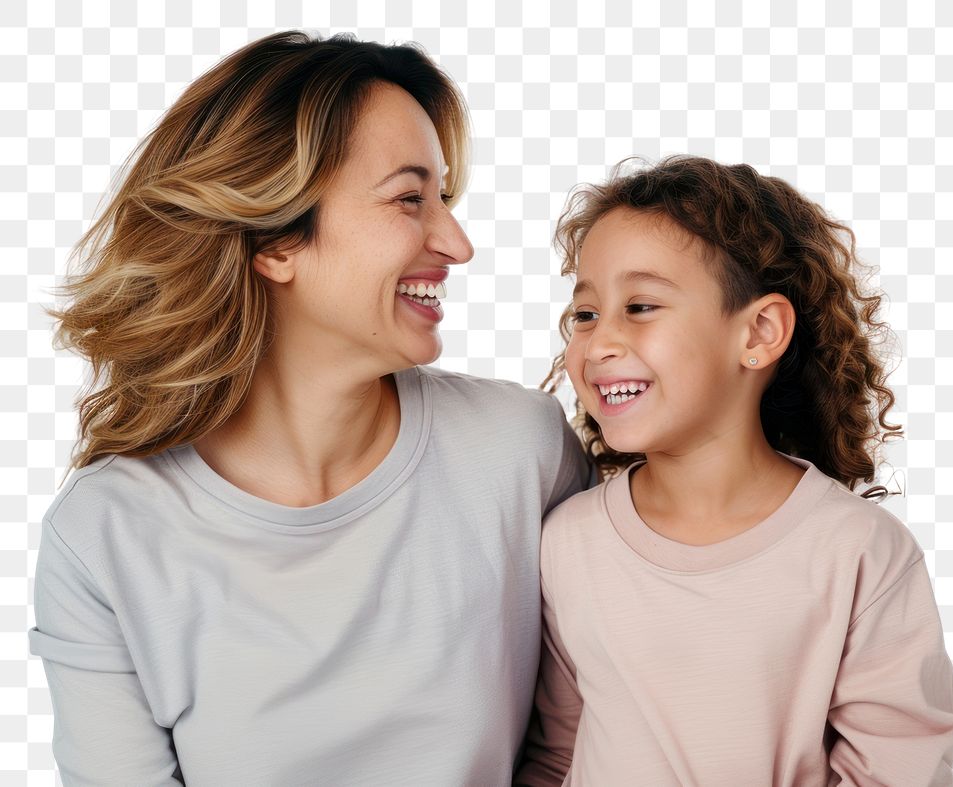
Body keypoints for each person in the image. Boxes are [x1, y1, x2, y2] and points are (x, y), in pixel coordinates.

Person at [29, 31, 588, 784]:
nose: (456, 243)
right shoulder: (106, 536)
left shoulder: (520, 454)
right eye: (409, 198)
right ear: (276, 240)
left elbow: (599, 729)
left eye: (444, 199)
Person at [516, 156, 953, 785]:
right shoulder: (568, 542)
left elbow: (900, 767)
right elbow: (554, 754)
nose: (599, 343)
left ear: (759, 331)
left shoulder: (860, 552)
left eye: (641, 306)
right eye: (586, 314)